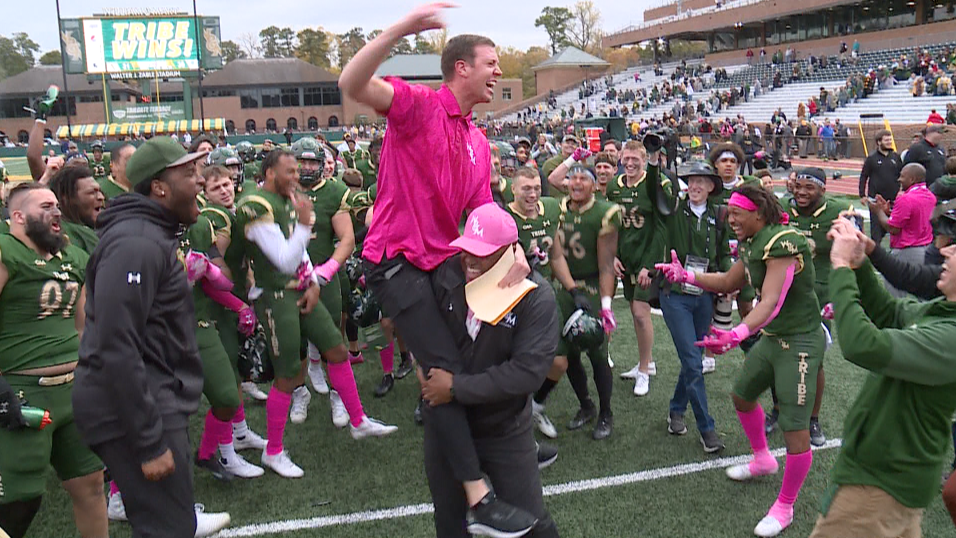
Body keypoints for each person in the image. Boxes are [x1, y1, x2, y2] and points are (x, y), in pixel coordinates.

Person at [336, 6, 536, 533]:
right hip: (397, 260)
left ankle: (504, 447)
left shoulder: (478, 142)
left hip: (444, 260)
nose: (499, 72)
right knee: (442, 370)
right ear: (460, 68)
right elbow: (351, 82)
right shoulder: (418, 107)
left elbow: (482, 213)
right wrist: (402, 29)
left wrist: (515, 252)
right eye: (491, 63)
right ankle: (478, 498)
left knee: (482, 342)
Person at [71, 137, 231, 538]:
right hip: (132, 411)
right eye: (189, 174)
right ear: (159, 187)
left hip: (146, 401)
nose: (199, 182)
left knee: (171, 525)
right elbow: (116, 344)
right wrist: (147, 441)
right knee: (169, 529)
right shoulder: (137, 243)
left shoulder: (148, 234)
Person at [657, 184, 823, 537]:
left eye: (736, 212)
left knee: (795, 426)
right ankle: (763, 459)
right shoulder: (752, 242)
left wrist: (737, 333)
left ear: (758, 214)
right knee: (742, 396)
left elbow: (771, 302)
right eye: (728, 212)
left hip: (800, 341)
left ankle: (786, 506)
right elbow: (727, 281)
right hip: (775, 336)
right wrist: (687, 276)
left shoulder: (782, 242)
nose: (729, 218)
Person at [235, 149, 396, 479]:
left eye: (298, 170)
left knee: (336, 349)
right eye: (290, 170)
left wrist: (311, 279)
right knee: (289, 373)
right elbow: (281, 258)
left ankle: (357, 419)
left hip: (301, 287)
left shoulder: (289, 197)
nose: (296, 176)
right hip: (275, 295)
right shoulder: (255, 204)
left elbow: (300, 255)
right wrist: (306, 225)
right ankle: (274, 451)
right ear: (268, 173)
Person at [418, 203, 560, 538]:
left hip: (503, 429)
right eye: (467, 250)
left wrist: (455, 387)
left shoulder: (535, 298)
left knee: (531, 522)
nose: (469, 260)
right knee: (450, 522)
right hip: (449, 428)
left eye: (483, 254)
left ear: (513, 253)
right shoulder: (447, 275)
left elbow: (526, 373)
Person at [807, 219, 956, 538]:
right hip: (895, 477)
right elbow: (890, 313)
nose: (947, 251)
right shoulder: (942, 312)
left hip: (881, 481)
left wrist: (842, 268)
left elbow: (863, 346)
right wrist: (860, 266)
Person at [0, 183, 107, 538]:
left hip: (73, 391)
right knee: (17, 500)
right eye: (45, 206)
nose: (56, 212)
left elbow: (81, 326)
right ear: (18, 217)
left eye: (57, 205)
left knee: (91, 483)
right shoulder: (6, 251)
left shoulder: (72, 258)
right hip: (22, 389)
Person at [647, 157, 729, 453]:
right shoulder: (674, 209)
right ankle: (707, 428)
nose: (694, 185)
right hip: (675, 294)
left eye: (701, 181)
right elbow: (654, 192)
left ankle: (676, 410)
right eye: (690, 180)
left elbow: (724, 256)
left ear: (710, 187)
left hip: (704, 295)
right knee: (694, 361)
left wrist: (727, 284)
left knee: (691, 359)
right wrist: (654, 163)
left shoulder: (719, 216)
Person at [769, 168, 852, 444]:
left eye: (810, 188)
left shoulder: (837, 211)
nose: (802, 192)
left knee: (813, 361)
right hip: (780, 292)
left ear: (823, 191)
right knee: (776, 354)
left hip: (818, 295)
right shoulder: (781, 207)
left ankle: (812, 419)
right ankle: (778, 409)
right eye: (799, 186)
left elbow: (852, 252)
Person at [504, 167, 574, 440]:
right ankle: (512, 422)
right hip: (512, 298)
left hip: (543, 297)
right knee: (512, 365)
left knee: (558, 362)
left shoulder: (551, 208)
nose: (532, 194)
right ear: (513, 189)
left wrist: (572, 288)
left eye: (536, 188)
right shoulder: (505, 216)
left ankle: (536, 405)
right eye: (526, 189)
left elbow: (555, 255)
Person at [555, 165, 621, 439]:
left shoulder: (606, 212)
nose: (577, 182)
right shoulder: (555, 208)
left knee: (596, 352)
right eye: (574, 177)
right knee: (568, 354)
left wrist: (605, 305)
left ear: (595, 185)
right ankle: (586, 405)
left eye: (585, 178)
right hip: (563, 287)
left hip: (591, 285)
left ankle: (606, 412)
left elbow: (607, 266)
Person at [867, 163, 936, 297]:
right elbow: (912, 218)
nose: (899, 179)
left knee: (895, 295)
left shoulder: (905, 199)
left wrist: (879, 212)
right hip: (924, 250)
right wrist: (890, 212)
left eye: (902, 176)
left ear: (912, 179)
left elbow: (893, 228)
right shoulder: (930, 196)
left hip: (906, 252)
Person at [48, 165, 104, 255]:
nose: (101, 197)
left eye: (99, 191)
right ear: (66, 199)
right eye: (92, 192)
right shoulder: (66, 234)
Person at [859, 130, 903, 245]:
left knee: (896, 229)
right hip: (876, 201)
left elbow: (902, 175)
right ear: (879, 142)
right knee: (876, 233)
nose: (889, 142)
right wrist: (862, 195)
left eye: (890, 140)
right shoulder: (871, 158)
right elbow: (864, 176)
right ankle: (875, 256)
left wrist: (903, 191)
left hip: (893, 200)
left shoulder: (896, 157)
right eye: (886, 140)